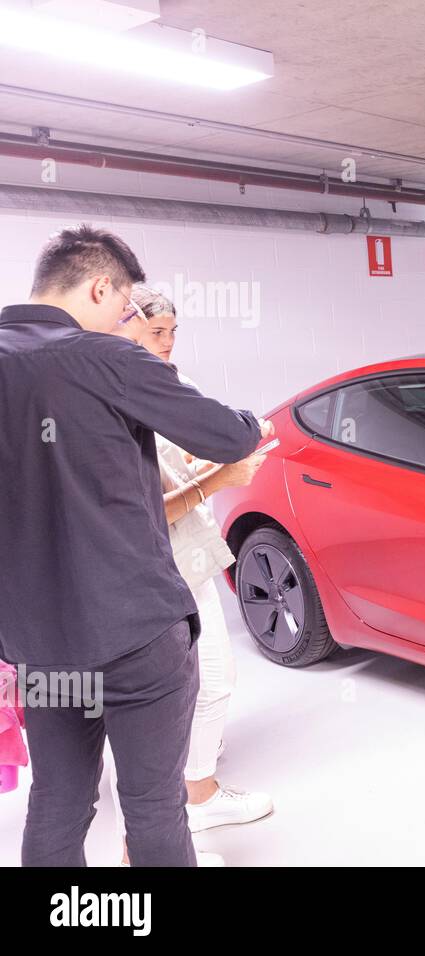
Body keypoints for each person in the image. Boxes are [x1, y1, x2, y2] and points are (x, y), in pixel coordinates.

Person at [0, 225, 267, 867]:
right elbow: (229, 437)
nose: (124, 321)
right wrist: (254, 423)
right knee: (152, 808)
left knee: (59, 803)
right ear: (99, 287)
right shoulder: (106, 358)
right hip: (135, 635)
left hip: (38, 645)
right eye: (123, 309)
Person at [106, 287, 273, 852]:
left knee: (211, 681)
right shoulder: (117, 395)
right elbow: (141, 508)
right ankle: (171, 819)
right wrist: (217, 480)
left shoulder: (156, 388)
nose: (168, 344)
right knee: (171, 698)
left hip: (184, 559)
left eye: (174, 332)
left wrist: (197, 464)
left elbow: (167, 470)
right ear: (123, 325)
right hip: (155, 568)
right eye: (157, 332)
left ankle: (196, 795)